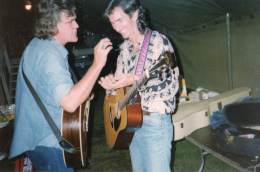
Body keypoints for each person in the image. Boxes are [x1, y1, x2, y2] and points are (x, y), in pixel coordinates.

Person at [9, 0, 112, 171]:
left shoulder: (40, 46)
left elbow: (56, 91)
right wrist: (97, 64)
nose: (77, 25)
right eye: (70, 21)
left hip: (39, 140)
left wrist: (85, 92)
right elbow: (70, 103)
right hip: (49, 144)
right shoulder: (50, 56)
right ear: (53, 25)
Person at [99, 0, 179, 171]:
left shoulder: (159, 42)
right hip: (131, 124)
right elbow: (121, 91)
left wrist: (134, 80)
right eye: (112, 23)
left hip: (154, 123)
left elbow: (170, 85)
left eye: (119, 20)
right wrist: (111, 87)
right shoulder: (124, 50)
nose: (116, 28)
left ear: (134, 14)